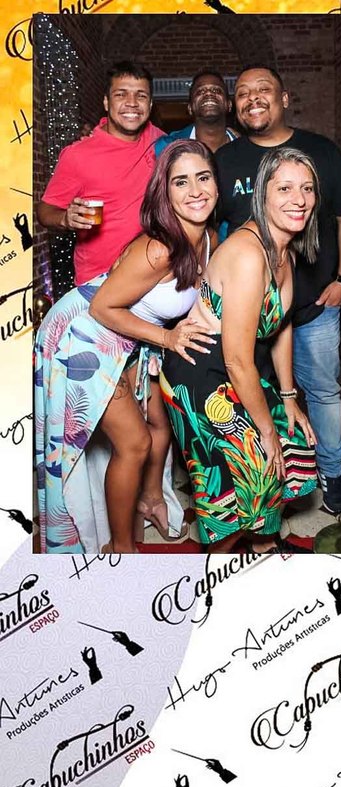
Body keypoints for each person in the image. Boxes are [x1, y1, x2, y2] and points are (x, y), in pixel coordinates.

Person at [35, 140, 219, 553]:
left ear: (216, 184)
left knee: (161, 423)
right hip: (86, 334)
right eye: (181, 182)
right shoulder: (158, 249)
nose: (195, 191)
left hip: (131, 338)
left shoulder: (207, 237)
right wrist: (168, 338)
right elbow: (102, 307)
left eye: (203, 178)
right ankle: (120, 549)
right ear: (164, 192)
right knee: (134, 443)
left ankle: (150, 499)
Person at [215, 65, 341, 516]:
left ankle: (332, 473)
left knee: (321, 393)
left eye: (263, 89)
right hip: (253, 313)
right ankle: (266, 480)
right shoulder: (225, 159)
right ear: (235, 106)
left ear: (284, 98)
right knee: (250, 393)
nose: (253, 98)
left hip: (313, 305)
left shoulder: (321, 151)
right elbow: (208, 225)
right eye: (243, 93)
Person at [162, 147, 320, 553]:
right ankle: (219, 564)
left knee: (289, 443)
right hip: (201, 373)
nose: (298, 199)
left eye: (307, 189)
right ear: (262, 193)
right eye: (284, 188)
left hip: (240, 365)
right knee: (245, 478)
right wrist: (265, 430)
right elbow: (235, 358)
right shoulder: (249, 254)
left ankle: (264, 546)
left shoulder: (284, 248)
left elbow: (280, 326)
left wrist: (288, 397)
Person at [37, 61, 164, 287]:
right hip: (98, 280)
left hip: (152, 278)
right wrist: (65, 218)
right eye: (121, 94)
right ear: (106, 102)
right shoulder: (78, 155)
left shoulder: (161, 142)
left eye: (141, 95)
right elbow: (45, 211)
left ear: (150, 104)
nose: (132, 103)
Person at [155, 70, 238, 157]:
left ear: (229, 105)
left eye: (216, 90)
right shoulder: (167, 147)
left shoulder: (244, 147)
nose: (209, 93)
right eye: (200, 92)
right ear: (190, 108)